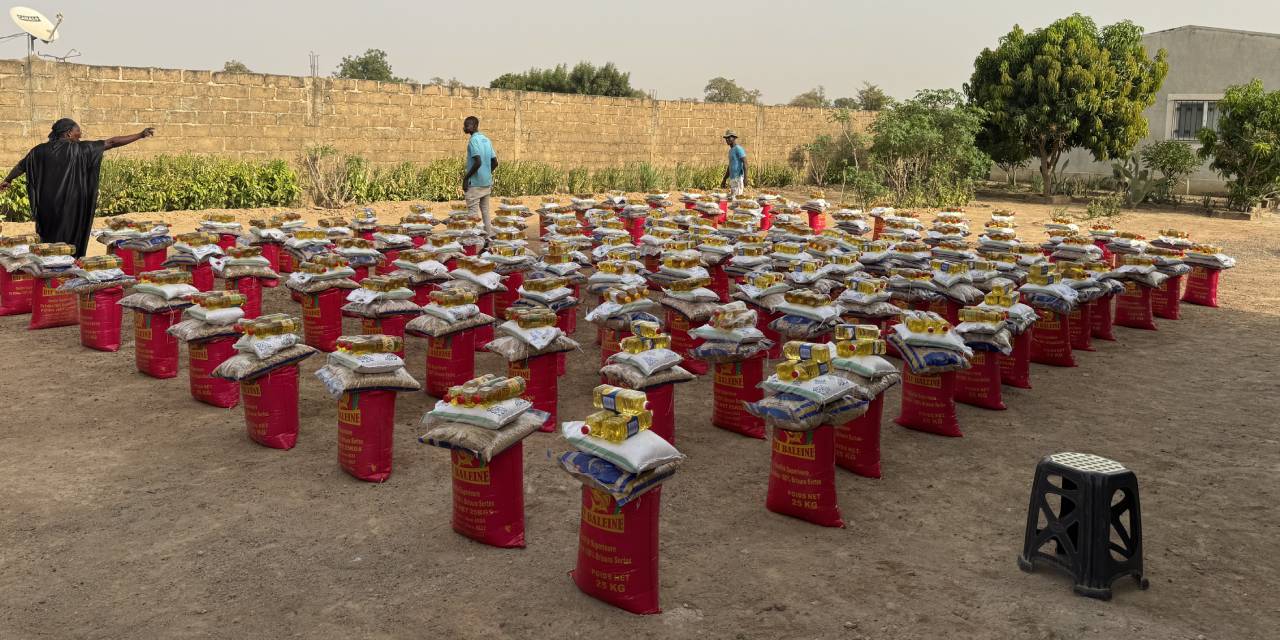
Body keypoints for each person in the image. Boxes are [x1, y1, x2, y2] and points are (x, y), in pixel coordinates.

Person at [1, 119, 155, 257]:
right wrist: (140, 135)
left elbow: (21, 166)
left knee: (48, 240)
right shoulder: (81, 149)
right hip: (71, 207)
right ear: (68, 133)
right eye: (78, 131)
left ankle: (49, 268)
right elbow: (112, 142)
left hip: (47, 207)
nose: (80, 135)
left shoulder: (38, 151)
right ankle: (68, 267)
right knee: (69, 242)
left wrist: (8, 180)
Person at [462, 115, 498, 234]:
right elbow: (495, 162)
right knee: (486, 213)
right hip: (486, 183)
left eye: (468, 125)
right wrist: (487, 173)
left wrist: (466, 178)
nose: (465, 127)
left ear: (476, 126)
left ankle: (471, 243)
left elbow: (478, 161)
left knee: (472, 216)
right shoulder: (486, 140)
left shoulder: (473, 140)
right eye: (465, 125)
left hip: (475, 184)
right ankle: (489, 238)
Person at [720, 129, 747, 198]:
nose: (727, 139)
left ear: (734, 138)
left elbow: (745, 163)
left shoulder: (738, 149)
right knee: (733, 199)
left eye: (729, 137)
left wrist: (745, 178)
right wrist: (724, 179)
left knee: (737, 199)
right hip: (733, 178)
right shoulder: (731, 151)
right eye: (726, 138)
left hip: (738, 178)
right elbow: (730, 166)